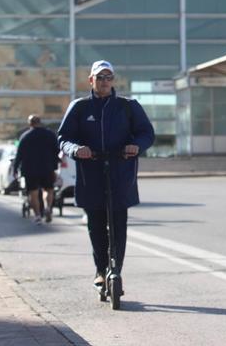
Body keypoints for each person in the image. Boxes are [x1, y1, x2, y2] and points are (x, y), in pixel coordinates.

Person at [57, 60, 154, 291]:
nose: (104, 81)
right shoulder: (79, 107)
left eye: (108, 77)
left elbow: (146, 133)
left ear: (113, 80)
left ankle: (116, 270)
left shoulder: (128, 106)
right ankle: (101, 270)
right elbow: (63, 138)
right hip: (91, 174)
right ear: (91, 80)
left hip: (121, 174)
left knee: (119, 226)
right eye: (99, 77)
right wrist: (76, 149)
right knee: (96, 226)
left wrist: (135, 146)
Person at [12, 115, 60, 224]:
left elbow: (19, 155)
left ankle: (38, 215)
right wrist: (55, 166)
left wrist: (15, 169)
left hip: (30, 169)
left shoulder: (25, 136)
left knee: (33, 193)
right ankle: (48, 208)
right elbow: (56, 151)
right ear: (40, 122)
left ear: (30, 123)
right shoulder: (50, 134)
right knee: (48, 190)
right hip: (47, 167)